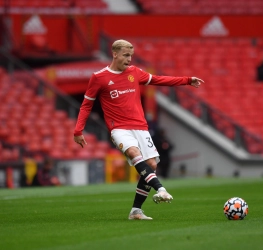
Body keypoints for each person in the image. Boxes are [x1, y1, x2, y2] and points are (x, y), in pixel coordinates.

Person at [73, 39, 204, 220]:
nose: (129, 59)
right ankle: (161, 189)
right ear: (115, 54)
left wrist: (187, 80)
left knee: (151, 165)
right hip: (119, 129)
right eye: (126, 55)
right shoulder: (99, 77)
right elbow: (86, 105)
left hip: (141, 127)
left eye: (131, 56)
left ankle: (136, 211)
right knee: (134, 153)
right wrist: (78, 131)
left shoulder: (134, 72)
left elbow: (159, 80)